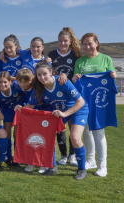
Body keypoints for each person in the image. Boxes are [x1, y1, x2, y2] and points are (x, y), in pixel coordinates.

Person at [16, 60, 89, 179]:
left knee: (75, 138)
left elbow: (80, 102)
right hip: (60, 112)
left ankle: (81, 169)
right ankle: (52, 166)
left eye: (44, 74)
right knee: (47, 136)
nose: (42, 77)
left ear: (51, 72)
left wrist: (65, 113)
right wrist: (20, 109)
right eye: (39, 75)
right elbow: (29, 106)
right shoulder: (38, 87)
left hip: (78, 110)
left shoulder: (62, 82)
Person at [72, 33, 117, 177]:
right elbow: (75, 84)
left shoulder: (106, 59)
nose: (87, 47)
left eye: (90, 43)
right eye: (84, 44)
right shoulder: (80, 62)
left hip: (100, 102)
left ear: (96, 43)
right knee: (86, 131)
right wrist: (75, 78)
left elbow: (113, 74)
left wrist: (113, 75)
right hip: (84, 103)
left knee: (98, 132)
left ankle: (103, 166)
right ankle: (91, 160)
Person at [48, 27, 83, 166]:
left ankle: (72, 155)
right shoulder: (51, 54)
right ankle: (63, 155)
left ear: (70, 42)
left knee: (72, 127)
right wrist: (59, 75)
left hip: (72, 95)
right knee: (60, 126)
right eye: (60, 41)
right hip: (56, 95)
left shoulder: (75, 55)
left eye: (65, 41)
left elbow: (79, 71)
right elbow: (48, 71)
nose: (62, 43)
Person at [0, 71, 26, 167]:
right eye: (0, 82)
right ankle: (9, 157)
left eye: (5, 82)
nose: (3, 84)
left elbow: (27, 92)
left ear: (10, 82)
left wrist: (24, 106)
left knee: (16, 134)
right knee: (7, 133)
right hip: (7, 112)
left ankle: (17, 158)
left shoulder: (17, 87)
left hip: (19, 111)